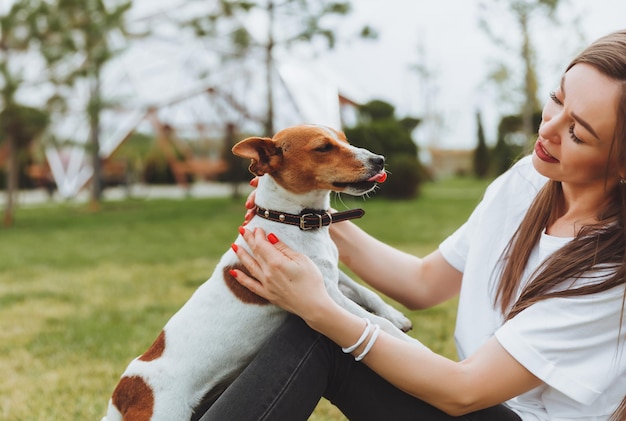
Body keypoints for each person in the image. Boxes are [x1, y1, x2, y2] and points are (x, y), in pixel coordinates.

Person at [199, 30, 626, 421]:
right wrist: (303, 212)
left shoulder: (612, 268)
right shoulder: (526, 183)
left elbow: (465, 390)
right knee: (318, 330)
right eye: (556, 98)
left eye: (578, 132)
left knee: (319, 330)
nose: (548, 128)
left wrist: (321, 310)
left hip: (482, 404)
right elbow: (423, 283)